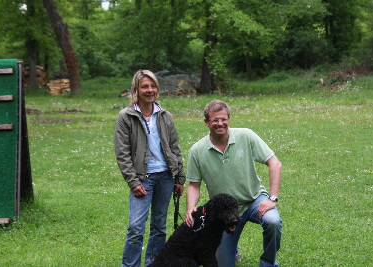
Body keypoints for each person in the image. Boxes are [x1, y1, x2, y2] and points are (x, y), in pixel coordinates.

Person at [185, 99, 282, 267]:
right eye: (215, 120)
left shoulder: (246, 135)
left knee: (273, 221)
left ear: (229, 118)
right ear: (206, 122)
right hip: (224, 212)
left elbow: (275, 163)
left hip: (254, 200)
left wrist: (272, 198)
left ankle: (268, 263)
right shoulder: (197, 150)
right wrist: (190, 208)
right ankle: (232, 248)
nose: (220, 123)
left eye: (224, 119)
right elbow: (194, 185)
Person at [114, 70, 186, 267]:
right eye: (145, 86)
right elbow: (122, 153)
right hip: (142, 179)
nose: (150, 90)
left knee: (159, 227)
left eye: (153, 86)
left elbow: (174, 148)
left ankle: (154, 264)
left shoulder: (165, 116)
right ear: (136, 89)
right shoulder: (125, 116)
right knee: (136, 228)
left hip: (165, 176)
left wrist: (179, 178)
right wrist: (133, 181)